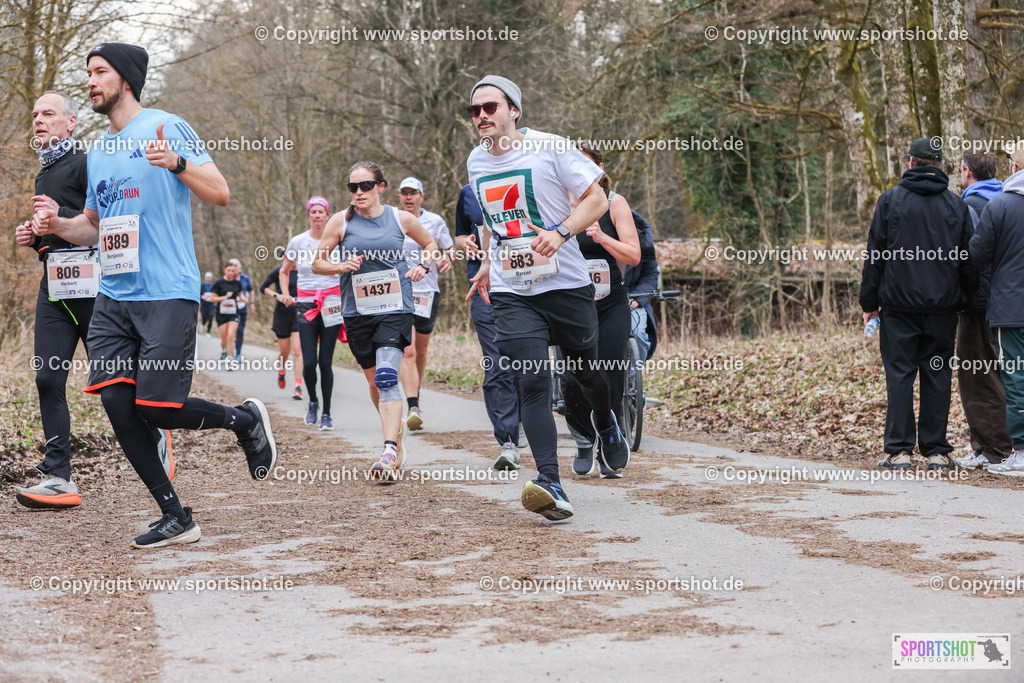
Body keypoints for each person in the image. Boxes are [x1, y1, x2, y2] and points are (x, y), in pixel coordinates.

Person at [31, 42, 276, 548]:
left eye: (100, 72)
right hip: (114, 296)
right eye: (89, 73)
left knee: (159, 407)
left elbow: (220, 191)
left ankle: (244, 420)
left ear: (125, 79)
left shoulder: (165, 126)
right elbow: (93, 226)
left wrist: (177, 162)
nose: (91, 81)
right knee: (118, 404)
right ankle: (175, 515)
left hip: (166, 291)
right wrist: (58, 225)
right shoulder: (99, 152)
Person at [465, 75, 629, 521]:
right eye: (475, 110)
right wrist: (487, 262)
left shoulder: (551, 147)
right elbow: (494, 218)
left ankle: (606, 421)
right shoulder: (476, 161)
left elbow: (596, 199)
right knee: (532, 381)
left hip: (566, 284)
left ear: (514, 111)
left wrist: (561, 232)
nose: (481, 116)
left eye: (490, 107)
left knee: (585, 372)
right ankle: (550, 482)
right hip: (513, 289)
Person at [14, 91, 172, 509]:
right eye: (35, 114)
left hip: (95, 289)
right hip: (55, 288)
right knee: (48, 378)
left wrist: (61, 218)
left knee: (113, 385)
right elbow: (57, 234)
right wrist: (36, 237)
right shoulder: (43, 172)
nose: (38, 120)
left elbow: (103, 222)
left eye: (48, 113)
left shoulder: (88, 163)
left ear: (71, 122)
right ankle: (59, 476)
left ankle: (154, 433)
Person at [312, 162, 438, 482]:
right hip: (357, 312)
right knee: (374, 384)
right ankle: (396, 434)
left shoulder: (400, 218)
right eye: (352, 187)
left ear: (381, 186)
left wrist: (423, 266)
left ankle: (388, 453)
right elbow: (317, 263)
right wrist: (341, 267)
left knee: (385, 375)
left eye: (366, 185)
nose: (359, 192)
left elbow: (431, 245)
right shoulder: (340, 221)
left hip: (395, 307)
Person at [860, 137, 978, 471]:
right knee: (937, 375)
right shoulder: (956, 206)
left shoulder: (889, 201)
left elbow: (874, 257)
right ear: (939, 165)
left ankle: (899, 452)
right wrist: (964, 299)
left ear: (911, 162)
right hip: (942, 309)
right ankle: (936, 451)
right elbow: (968, 261)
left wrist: (869, 304)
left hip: (898, 308)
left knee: (899, 375)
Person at [565, 142, 641, 478]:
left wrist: (602, 239)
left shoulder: (614, 203)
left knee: (610, 372)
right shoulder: (556, 203)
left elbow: (634, 255)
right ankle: (584, 439)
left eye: (586, 164)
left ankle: (609, 444)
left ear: (599, 169)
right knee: (572, 379)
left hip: (610, 304)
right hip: (570, 304)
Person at [454, 183, 522, 467]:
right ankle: (508, 442)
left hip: (527, 287)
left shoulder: (526, 180)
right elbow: (460, 234)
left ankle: (527, 417)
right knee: (497, 363)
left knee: (527, 363)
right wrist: (464, 243)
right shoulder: (468, 192)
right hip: (485, 291)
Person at [954, 150, 1012, 469]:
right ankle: (989, 446)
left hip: (977, 302)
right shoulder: (1005, 200)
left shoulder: (970, 205)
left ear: (967, 172)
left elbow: (969, 258)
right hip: (1002, 301)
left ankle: (992, 449)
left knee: (977, 376)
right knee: (994, 372)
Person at [969, 143, 1024, 475]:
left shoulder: (999, 205)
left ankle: (1021, 451)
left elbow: (977, 254)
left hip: (1010, 307)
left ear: (1014, 168)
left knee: (1016, 377)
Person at [397, 176, 455, 430]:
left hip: (428, 292)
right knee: (407, 350)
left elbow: (450, 248)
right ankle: (413, 405)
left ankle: (415, 394)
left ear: (422, 196)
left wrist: (447, 258)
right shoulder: (393, 220)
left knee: (420, 352)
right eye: (404, 193)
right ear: (399, 196)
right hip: (400, 292)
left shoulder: (435, 221)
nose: (409, 197)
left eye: (413, 193)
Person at [280, 196, 342, 430]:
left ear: (327, 215)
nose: (317, 215)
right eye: (313, 212)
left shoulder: (338, 241)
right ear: (309, 215)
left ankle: (327, 413)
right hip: (306, 304)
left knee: (325, 362)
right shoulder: (298, 241)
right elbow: (284, 271)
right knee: (309, 363)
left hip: (332, 303)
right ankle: (313, 402)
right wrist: (286, 294)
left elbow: (349, 269)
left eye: (320, 212)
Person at [260, 264, 303, 399]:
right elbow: (263, 288)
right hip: (282, 315)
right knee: (285, 352)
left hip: (299, 314)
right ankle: (282, 369)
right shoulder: (279, 271)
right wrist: (277, 295)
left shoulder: (304, 269)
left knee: (297, 350)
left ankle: (298, 387)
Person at [211, 261, 246, 366]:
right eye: (229, 270)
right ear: (224, 270)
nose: (231, 272)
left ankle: (230, 360)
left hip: (233, 313)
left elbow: (240, 294)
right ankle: (223, 351)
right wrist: (224, 297)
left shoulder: (237, 283)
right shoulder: (219, 283)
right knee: (224, 340)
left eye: (233, 271)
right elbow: (212, 299)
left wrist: (244, 298)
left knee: (231, 336)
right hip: (221, 314)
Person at [228, 257, 255, 359]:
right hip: (229, 309)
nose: (234, 268)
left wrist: (252, 303)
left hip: (242, 308)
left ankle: (238, 353)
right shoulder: (228, 278)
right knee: (231, 332)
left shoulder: (245, 278)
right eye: (232, 266)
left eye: (236, 266)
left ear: (239, 267)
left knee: (240, 330)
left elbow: (251, 290)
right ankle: (228, 351)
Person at [199, 271, 215, 338]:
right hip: (204, 305)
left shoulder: (214, 286)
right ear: (205, 278)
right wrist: (202, 296)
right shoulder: (201, 286)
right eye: (207, 277)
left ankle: (208, 332)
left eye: (210, 277)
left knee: (210, 317)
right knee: (204, 317)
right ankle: (203, 324)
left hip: (211, 305)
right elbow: (198, 294)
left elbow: (216, 294)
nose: (209, 278)